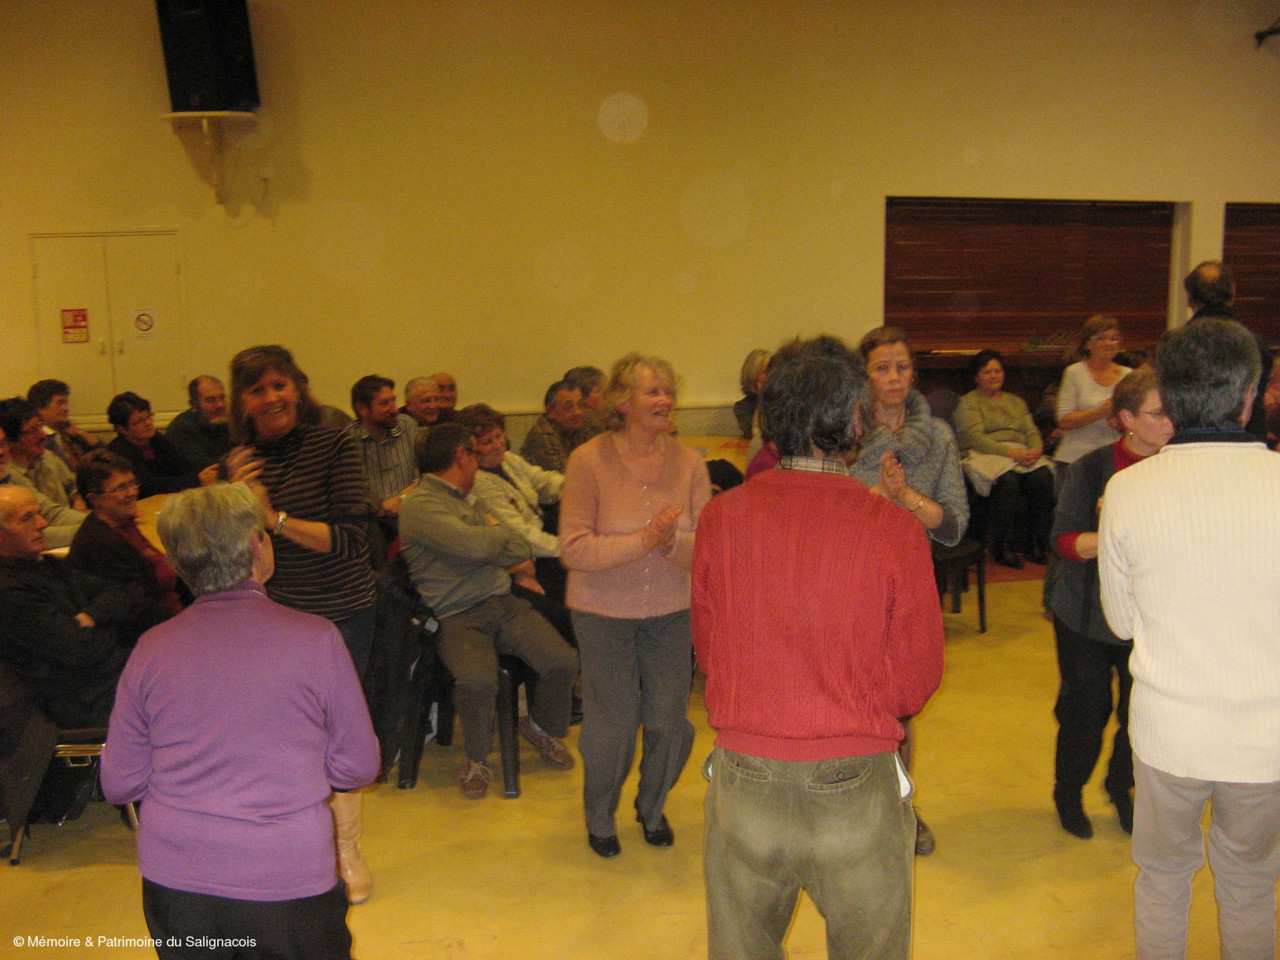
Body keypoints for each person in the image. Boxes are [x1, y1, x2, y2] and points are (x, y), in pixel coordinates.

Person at [692, 336, 944, 960]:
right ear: (855, 419)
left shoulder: (721, 519)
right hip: (853, 781)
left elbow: (710, 648)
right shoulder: (893, 528)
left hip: (745, 775)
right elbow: (916, 676)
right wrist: (852, 699)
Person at [100, 483, 379, 960]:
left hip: (177, 880)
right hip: (286, 874)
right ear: (256, 546)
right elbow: (357, 767)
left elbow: (119, 782)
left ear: (179, 563)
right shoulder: (316, 639)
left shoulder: (151, 648)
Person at [1099, 318, 1280, 960]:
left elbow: (1121, 623)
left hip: (1169, 733)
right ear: (1250, 395)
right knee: (1252, 882)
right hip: (1265, 737)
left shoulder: (1128, 489)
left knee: (1163, 878)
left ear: (1168, 398)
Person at [224, 344, 377, 903]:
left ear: (298, 387)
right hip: (275, 618)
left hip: (341, 613)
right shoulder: (239, 459)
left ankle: (345, 849)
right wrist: (232, 498)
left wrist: (271, 516)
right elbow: (233, 548)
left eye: (280, 385)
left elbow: (351, 540)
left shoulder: (334, 441)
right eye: (257, 389)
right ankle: (296, 845)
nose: (272, 398)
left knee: (336, 736)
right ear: (242, 401)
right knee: (285, 737)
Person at [559, 353, 711, 857]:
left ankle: (652, 805)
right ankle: (600, 817)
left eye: (669, 390)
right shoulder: (587, 460)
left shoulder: (690, 463)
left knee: (669, 721)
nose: (665, 400)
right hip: (602, 614)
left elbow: (707, 547)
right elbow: (574, 549)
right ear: (622, 402)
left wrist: (670, 544)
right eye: (653, 391)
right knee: (614, 725)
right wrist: (644, 540)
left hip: (672, 612)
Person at [398, 423, 578, 799]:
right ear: (462, 456)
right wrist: (490, 538)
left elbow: (519, 548)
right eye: (475, 454)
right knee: (478, 682)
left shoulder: (469, 499)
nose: (479, 462)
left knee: (563, 661)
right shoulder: (420, 503)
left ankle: (541, 728)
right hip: (457, 614)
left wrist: (485, 541)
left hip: (503, 602)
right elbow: (481, 547)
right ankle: (476, 758)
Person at [851, 327, 966, 857]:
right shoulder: (846, 432)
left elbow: (953, 524)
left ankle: (900, 808)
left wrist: (906, 497)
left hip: (910, 582)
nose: (894, 377)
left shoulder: (938, 435)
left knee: (900, 705)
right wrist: (880, 494)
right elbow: (832, 513)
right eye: (882, 367)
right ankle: (851, 807)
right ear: (865, 376)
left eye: (901, 366)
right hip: (851, 580)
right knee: (851, 700)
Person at [1048, 368, 1172, 840]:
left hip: (1150, 616)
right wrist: (1116, 529)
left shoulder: (1177, 468)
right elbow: (1063, 542)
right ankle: (1068, 790)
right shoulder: (1092, 468)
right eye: (1157, 413)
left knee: (1140, 715)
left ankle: (1121, 786)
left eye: (1172, 412)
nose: (1170, 422)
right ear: (1127, 418)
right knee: (1087, 710)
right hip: (1085, 611)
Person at [0, 485, 130, 728]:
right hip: (86, 701)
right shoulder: (7, 591)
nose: (43, 524)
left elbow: (119, 594)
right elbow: (82, 650)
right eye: (27, 518)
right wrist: (111, 627)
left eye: (39, 513)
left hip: (114, 676)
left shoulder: (47, 564)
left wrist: (89, 616)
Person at [954, 349, 1057, 567]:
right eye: (987, 372)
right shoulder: (968, 402)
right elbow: (975, 438)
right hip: (985, 453)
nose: (994, 376)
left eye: (998, 371)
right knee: (1008, 481)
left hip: (1021, 453)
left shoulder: (1016, 401)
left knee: (1043, 478)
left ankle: (1036, 544)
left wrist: (1035, 450)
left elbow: (1031, 430)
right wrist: (1011, 453)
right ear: (976, 377)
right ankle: (1003, 547)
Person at [68, 450, 185, 639]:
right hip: (153, 634)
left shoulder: (124, 524)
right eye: (121, 488)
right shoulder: (100, 544)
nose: (132, 492)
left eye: (132, 483)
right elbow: (139, 610)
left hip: (173, 617)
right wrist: (189, 624)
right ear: (94, 498)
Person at [456, 403, 566, 601]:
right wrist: (566, 548)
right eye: (488, 442)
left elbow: (542, 480)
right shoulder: (479, 482)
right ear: (472, 450)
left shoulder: (508, 459)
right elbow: (520, 534)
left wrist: (570, 487)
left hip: (544, 532)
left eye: (499, 436)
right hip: (529, 554)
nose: (499, 445)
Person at [1184, 259, 1269, 441]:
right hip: (1248, 440)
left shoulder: (1177, 344)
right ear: (1233, 293)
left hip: (1191, 439)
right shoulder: (1255, 344)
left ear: (1190, 298)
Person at [347, 374, 419, 560]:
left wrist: (402, 498)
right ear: (362, 409)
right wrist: (376, 505)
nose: (394, 409)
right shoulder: (348, 440)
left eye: (393, 401)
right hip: (373, 520)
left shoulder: (408, 427)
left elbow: (427, 474)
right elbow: (349, 488)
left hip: (411, 510)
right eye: (384, 404)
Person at [1054, 316, 1131, 489]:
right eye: (1101, 338)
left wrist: (1118, 423)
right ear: (1088, 344)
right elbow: (1064, 420)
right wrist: (1100, 412)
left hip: (1115, 459)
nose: (1108, 343)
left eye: (1114, 338)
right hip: (1075, 459)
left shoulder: (1128, 375)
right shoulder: (1074, 373)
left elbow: (1136, 421)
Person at [106, 392, 216, 498]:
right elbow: (147, 486)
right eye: (139, 421)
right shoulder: (118, 453)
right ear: (122, 429)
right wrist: (196, 481)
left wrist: (203, 475)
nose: (148, 423)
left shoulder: (157, 440)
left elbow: (183, 467)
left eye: (148, 417)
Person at [0, 430, 86, 549]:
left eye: (2, 444)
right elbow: (25, 537)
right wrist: (94, 529)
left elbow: (51, 513)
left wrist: (97, 521)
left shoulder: (9, 475)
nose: (1, 452)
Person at [0, 396, 79, 509]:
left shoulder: (47, 457)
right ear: (11, 441)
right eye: (32, 430)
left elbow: (74, 486)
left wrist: (77, 498)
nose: (43, 435)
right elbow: (50, 513)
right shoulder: (9, 475)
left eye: (39, 426)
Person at [27, 378, 104, 470]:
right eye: (60, 403)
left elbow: (107, 457)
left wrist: (81, 433)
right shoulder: (38, 440)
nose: (66, 408)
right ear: (40, 408)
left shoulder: (69, 432)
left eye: (66, 403)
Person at [520, 379, 596, 473]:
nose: (578, 412)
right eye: (568, 407)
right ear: (551, 412)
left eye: (581, 405)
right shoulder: (543, 434)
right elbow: (564, 476)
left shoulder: (582, 425)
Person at [164, 375, 232, 474]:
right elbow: (205, 468)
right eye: (210, 400)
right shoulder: (180, 430)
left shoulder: (226, 423)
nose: (220, 405)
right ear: (193, 405)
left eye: (222, 397)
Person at [732, 348, 772, 440]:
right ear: (753, 374)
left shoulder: (784, 400)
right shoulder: (743, 407)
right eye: (766, 371)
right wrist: (762, 396)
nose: (771, 374)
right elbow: (756, 435)